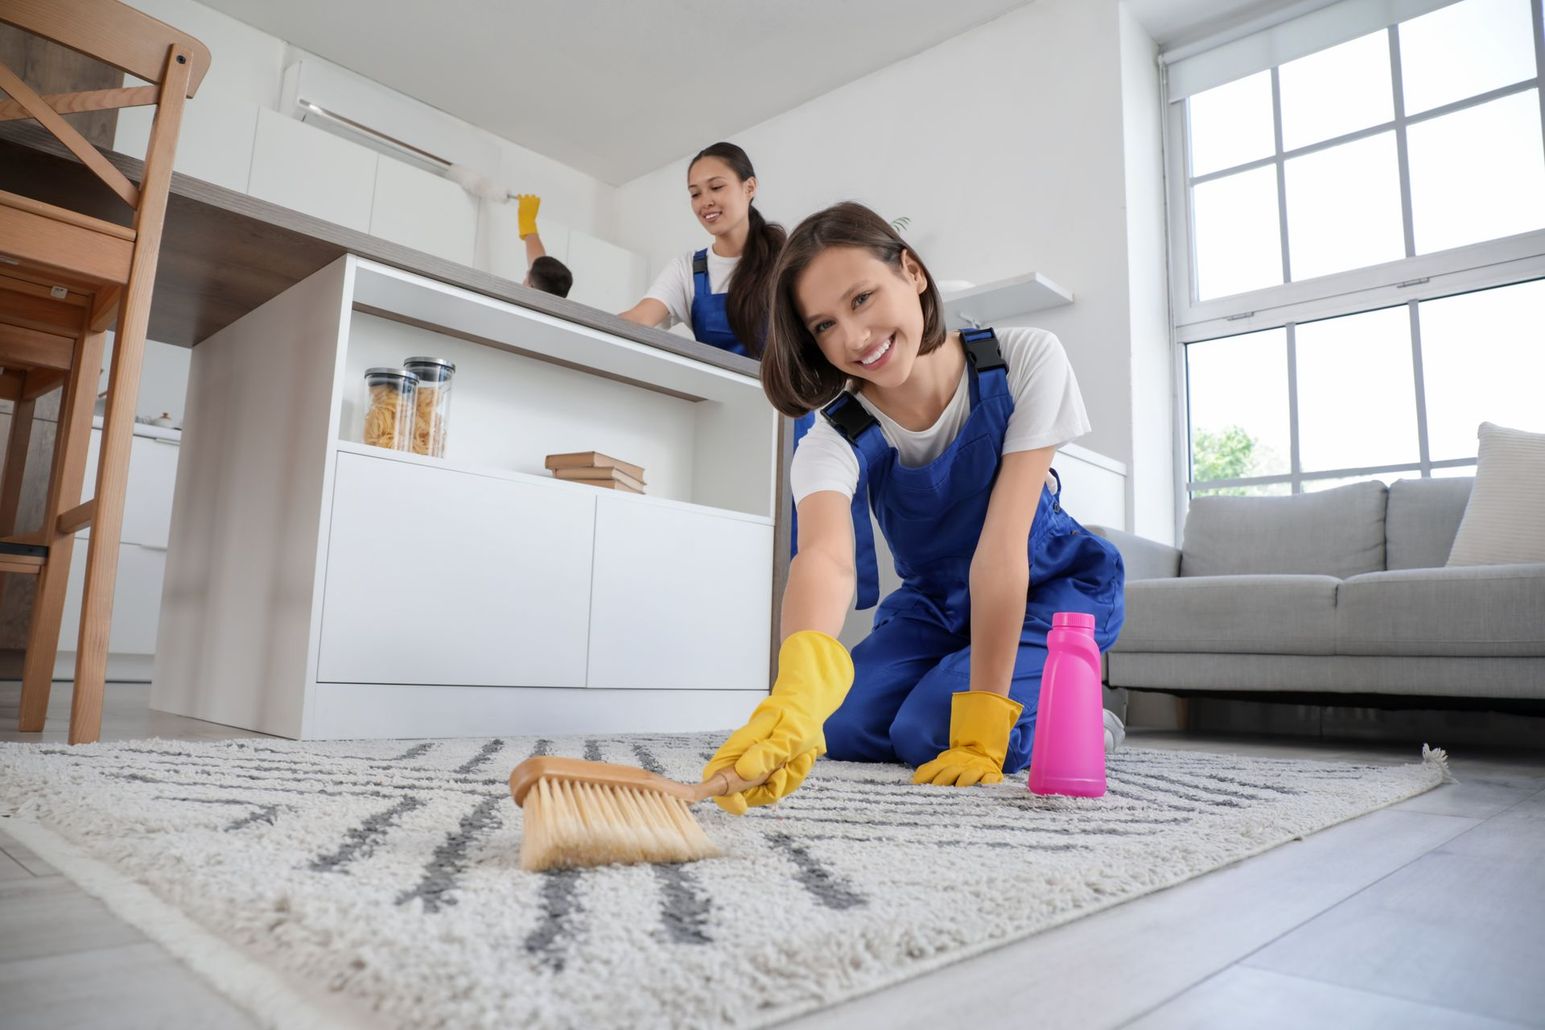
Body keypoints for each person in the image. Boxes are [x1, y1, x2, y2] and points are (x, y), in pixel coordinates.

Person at [702, 202, 1126, 813]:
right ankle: (1010, 696)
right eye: (823, 326)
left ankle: (1079, 715)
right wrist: (794, 694)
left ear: (912, 271)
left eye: (861, 299)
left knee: (930, 730)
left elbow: (1003, 550)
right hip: (937, 605)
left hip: (1047, 590)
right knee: (837, 727)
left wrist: (983, 726)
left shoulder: (1025, 359)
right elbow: (823, 556)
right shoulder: (833, 434)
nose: (852, 338)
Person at [617, 143, 785, 358]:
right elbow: (639, 318)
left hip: (786, 392)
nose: (705, 202)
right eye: (695, 194)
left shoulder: (787, 260)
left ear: (749, 188)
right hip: (713, 391)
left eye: (716, 187)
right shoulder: (686, 269)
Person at [514, 193, 573, 298]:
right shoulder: (549, 291)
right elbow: (537, 260)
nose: (525, 276)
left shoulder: (518, 306)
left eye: (527, 276)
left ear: (531, 287)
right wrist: (528, 222)